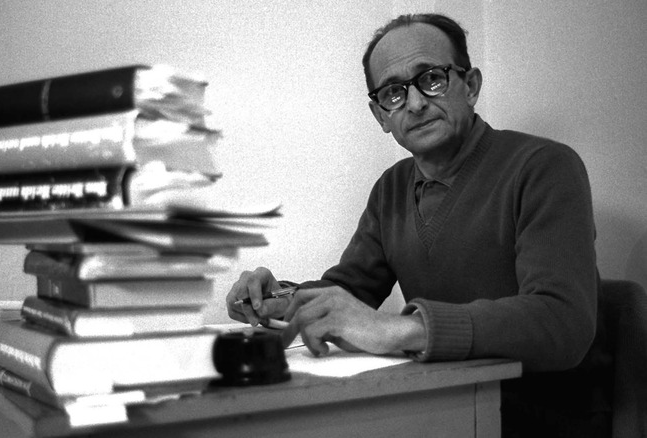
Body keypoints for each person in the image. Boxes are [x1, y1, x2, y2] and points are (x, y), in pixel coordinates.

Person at [226, 13, 611, 437]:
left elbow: (562, 321)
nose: (414, 103)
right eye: (393, 92)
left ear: (471, 85)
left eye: (432, 78)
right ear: (380, 115)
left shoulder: (544, 167)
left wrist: (399, 329)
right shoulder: (391, 188)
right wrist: (281, 299)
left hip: (541, 417)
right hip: (438, 405)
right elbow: (350, 291)